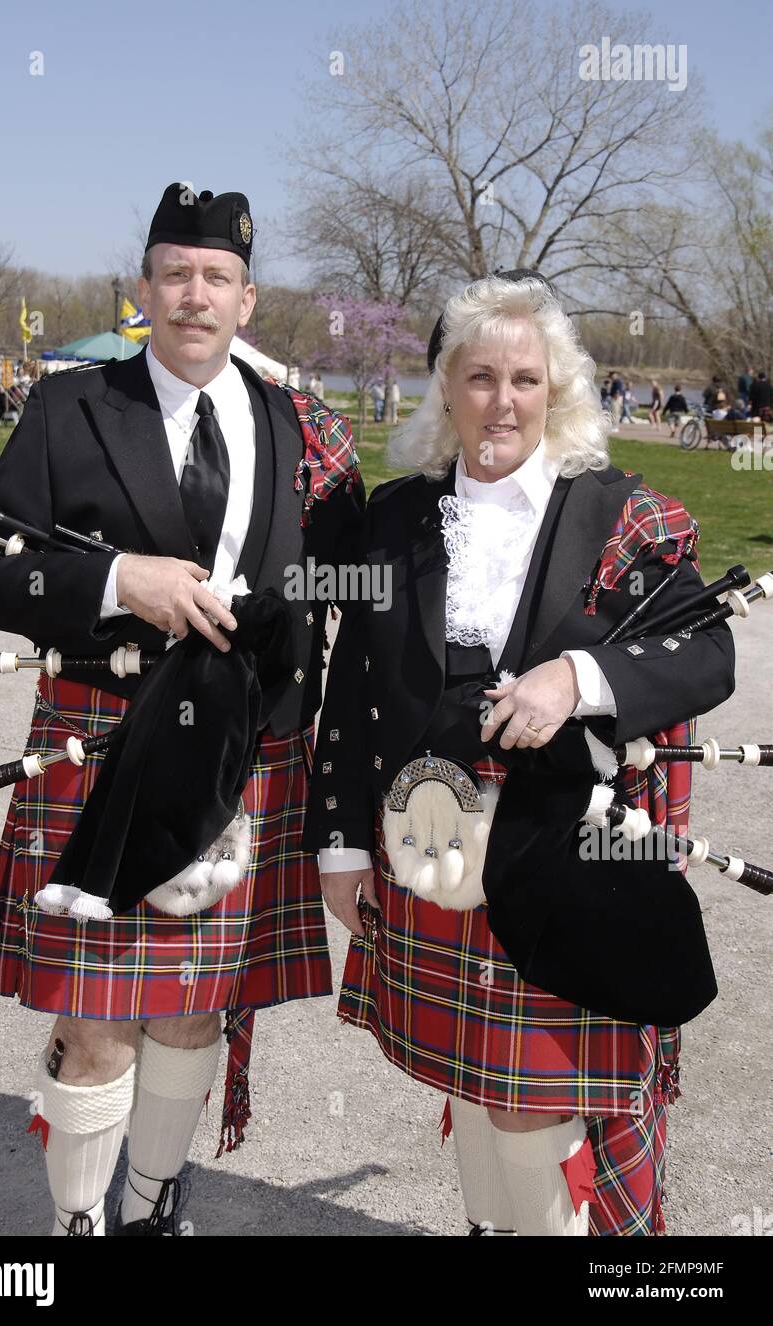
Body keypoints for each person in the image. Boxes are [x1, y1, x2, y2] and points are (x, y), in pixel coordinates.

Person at [0, 183, 363, 1237]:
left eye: (215, 278)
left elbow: (350, 586)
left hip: (242, 753)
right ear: (144, 290)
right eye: (174, 274)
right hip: (104, 741)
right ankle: (75, 1222)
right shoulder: (69, 407)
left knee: (189, 1013)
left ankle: (149, 1207)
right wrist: (114, 581)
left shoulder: (295, 425)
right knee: (97, 1027)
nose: (195, 295)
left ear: (247, 300)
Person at [304, 271, 734, 1237]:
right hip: (430, 841)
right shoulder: (395, 516)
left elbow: (707, 655)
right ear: (446, 388)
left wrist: (575, 677)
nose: (503, 401)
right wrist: (338, 838)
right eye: (480, 376)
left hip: (566, 848)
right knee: (483, 1084)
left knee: (532, 1094)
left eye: (526, 380)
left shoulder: (628, 517)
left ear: (560, 392)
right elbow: (356, 687)